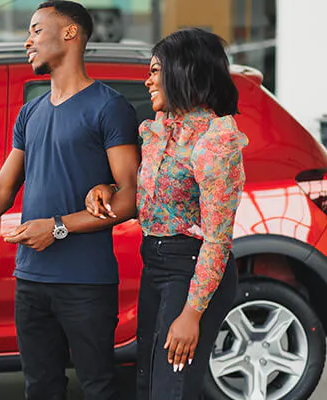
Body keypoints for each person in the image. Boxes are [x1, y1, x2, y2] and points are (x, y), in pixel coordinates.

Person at [0, 2, 140, 398]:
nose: (27, 41)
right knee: (40, 388)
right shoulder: (31, 112)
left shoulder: (109, 107)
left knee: (99, 387)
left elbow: (130, 197)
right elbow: (0, 192)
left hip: (85, 282)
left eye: (36, 30)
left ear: (70, 33)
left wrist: (57, 228)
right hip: (31, 281)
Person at [85, 28, 246, 399]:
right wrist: (107, 189)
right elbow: (153, 198)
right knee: (148, 384)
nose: (148, 81)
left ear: (183, 71)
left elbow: (217, 239)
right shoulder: (162, 130)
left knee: (170, 390)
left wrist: (192, 314)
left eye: (155, 71)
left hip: (191, 270)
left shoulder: (215, 141)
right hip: (155, 264)